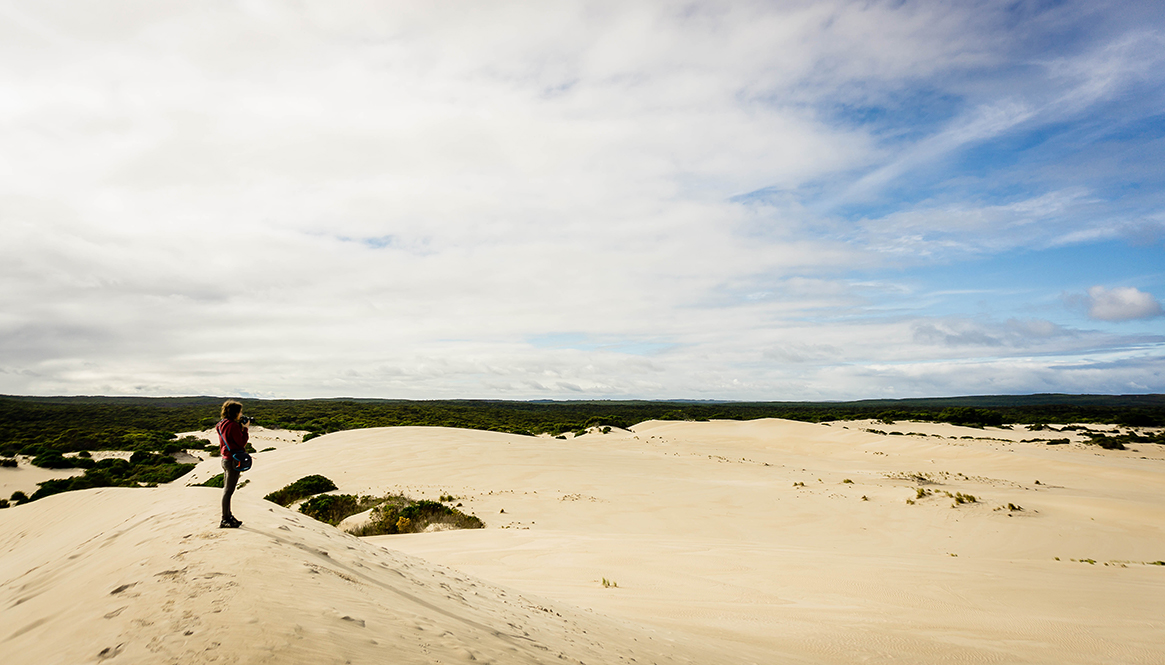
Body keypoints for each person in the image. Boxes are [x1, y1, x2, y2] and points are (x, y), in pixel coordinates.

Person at [215, 400, 249, 528]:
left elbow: (229, 439)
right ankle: (225, 519)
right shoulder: (233, 425)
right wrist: (245, 430)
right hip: (232, 459)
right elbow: (241, 443)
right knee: (228, 491)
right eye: (240, 411)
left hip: (225, 459)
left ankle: (229, 516)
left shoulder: (220, 424)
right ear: (235, 412)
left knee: (227, 490)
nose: (241, 414)